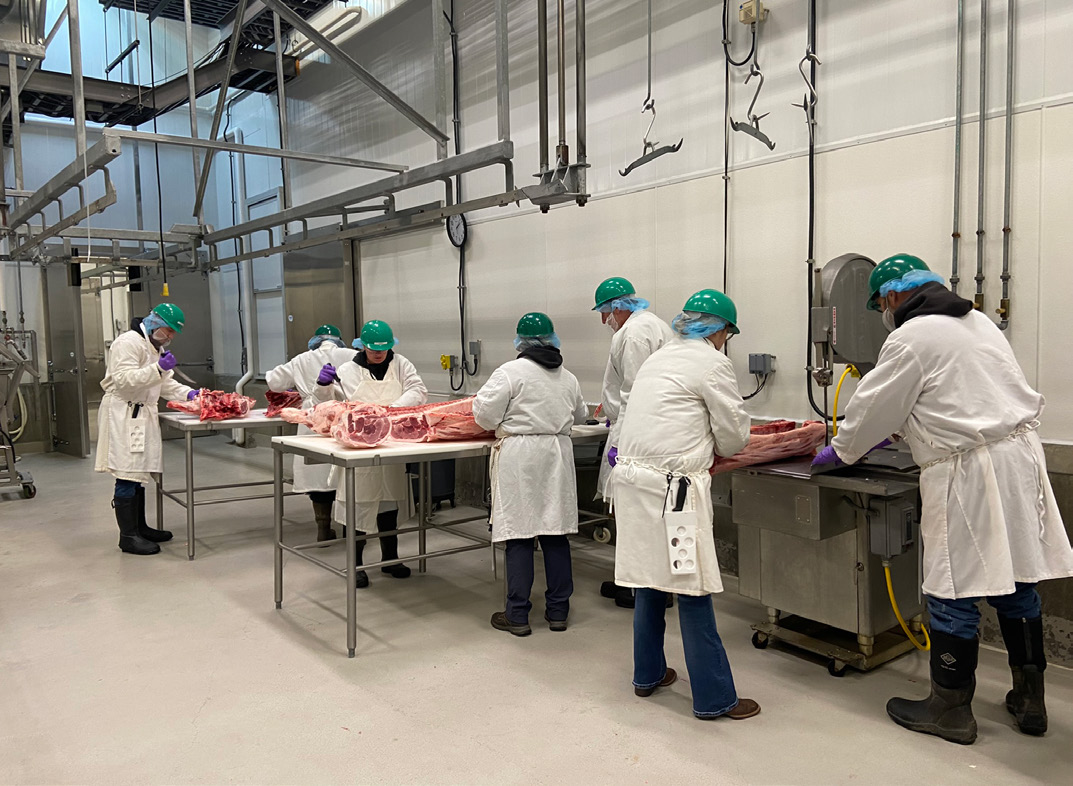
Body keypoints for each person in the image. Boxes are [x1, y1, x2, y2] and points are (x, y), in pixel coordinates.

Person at [814, 253, 1073, 744]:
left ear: (892, 297)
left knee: (952, 587)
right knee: (1018, 582)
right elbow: (953, 394)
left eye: (881, 305)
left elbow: (872, 406)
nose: (883, 314)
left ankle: (949, 710)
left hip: (968, 471)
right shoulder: (979, 324)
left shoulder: (910, 337)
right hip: (1019, 462)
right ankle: (1029, 699)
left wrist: (840, 449)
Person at [613, 289, 761, 721]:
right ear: (719, 331)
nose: (725, 343)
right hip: (674, 492)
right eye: (727, 335)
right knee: (691, 586)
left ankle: (648, 675)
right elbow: (733, 436)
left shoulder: (658, 357)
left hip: (635, 484)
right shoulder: (712, 363)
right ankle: (715, 698)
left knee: (649, 581)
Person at [474, 313, 588, 636]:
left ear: (520, 342)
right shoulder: (568, 377)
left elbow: (484, 415)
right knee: (555, 534)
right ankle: (558, 612)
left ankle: (518, 615)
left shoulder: (510, 373)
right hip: (556, 456)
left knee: (520, 535)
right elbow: (579, 414)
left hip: (521, 458)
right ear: (553, 339)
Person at [315, 319, 427, 587]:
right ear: (362, 345)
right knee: (358, 505)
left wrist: (391, 410)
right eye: (374, 349)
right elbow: (326, 405)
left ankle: (391, 559)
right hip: (358, 446)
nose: (379, 353)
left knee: (389, 503)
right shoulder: (347, 370)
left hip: (391, 443)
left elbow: (418, 391)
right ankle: (356, 566)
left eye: (384, 349)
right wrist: (323, 386)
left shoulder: (401, 364)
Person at [592, 276, 673, 609]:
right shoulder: (652, 326)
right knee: (640, 513)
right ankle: (634, 580)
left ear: (617, 307)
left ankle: (642, 587)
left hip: (637, 435)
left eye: (604, 312)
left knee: (633, 514)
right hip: (652, 432)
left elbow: (635, 393)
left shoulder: (636, 332)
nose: (602, 320)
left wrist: (622, 442)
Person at [95, 303, 198, 555]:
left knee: (138, 472)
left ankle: (140, 528)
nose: (170, 336)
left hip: (140, 413)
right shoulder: (127, 342)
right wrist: (158, 368)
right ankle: (127, 537)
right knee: (126, 472)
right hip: (123, 411)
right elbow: (123, 380)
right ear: (154, 321)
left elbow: (164, 384)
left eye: (174, 333)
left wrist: (191, 394)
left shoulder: (154, 346)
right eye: (169, 330)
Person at [267, 325, 348, 544]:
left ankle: (323, 529)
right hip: (345, 422)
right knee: (348, 476)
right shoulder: (352, 355)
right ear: (339, 340)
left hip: (312, 423)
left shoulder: (301, 359)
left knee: (318, 476)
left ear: (315, 340)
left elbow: (274, 382)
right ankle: (350, 529)